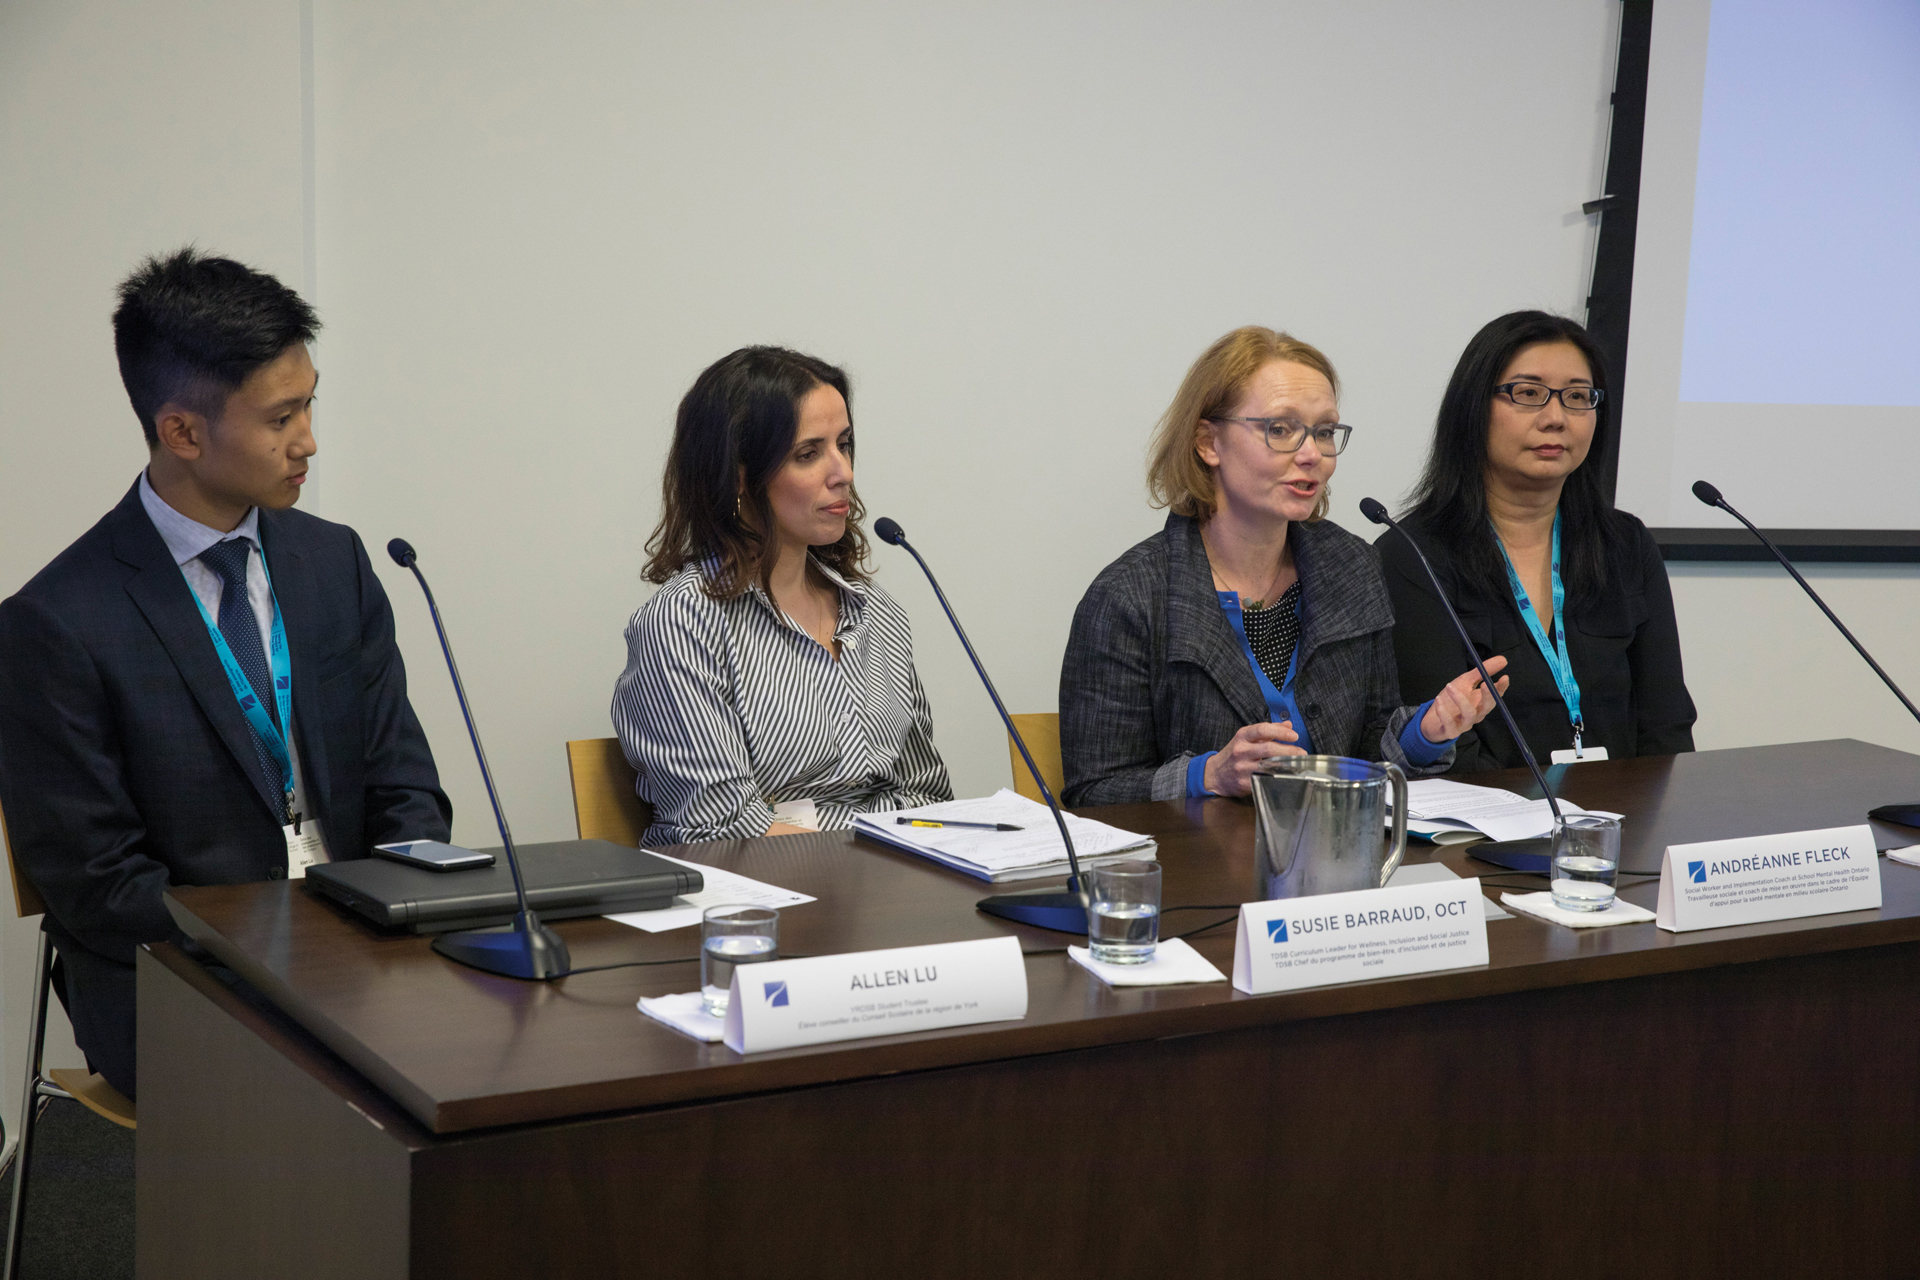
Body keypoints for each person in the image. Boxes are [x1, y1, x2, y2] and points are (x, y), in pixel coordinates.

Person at [0, 249, 450, 1098]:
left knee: (499, 1036)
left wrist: (403, 912)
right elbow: (96, 884)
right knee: (327, 1093)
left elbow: (406, 787)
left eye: (310, 403)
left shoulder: (334, 562)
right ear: (182, 431)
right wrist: (291, 938)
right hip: (177, 974)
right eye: (282, 417)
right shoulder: (56, 622)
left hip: (358, 946)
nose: (309, 440)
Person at [1059, 326, 1507, 806]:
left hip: (1333, 859)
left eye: (1325, 431)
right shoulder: (1128, 597)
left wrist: (1426, 732)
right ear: (1209, 443)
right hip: (1199, 870)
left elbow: (1366, 748)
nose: (1312, 453)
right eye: (1280, 429)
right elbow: (1094, 793)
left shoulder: (1351, 565)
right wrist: (1206, 775)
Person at [612, 346, 952, 844]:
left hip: (888, 886)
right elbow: (724, 828)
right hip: (756, 903)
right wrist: (878, 835)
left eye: (846, 444)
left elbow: (928, 796)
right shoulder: (684, 622)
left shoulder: (876, 612)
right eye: (809, 454)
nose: (844, 473)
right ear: (740, 478)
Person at [1379, 310, 1696, 772]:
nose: (1556, 418)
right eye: (1528, 394)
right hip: (1483, 831)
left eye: (1576, 397)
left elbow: (1666, 726)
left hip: (1624, 827)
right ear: (1473, 407)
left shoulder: (1626, 545)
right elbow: (1448, 750)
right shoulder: (1412, 556)